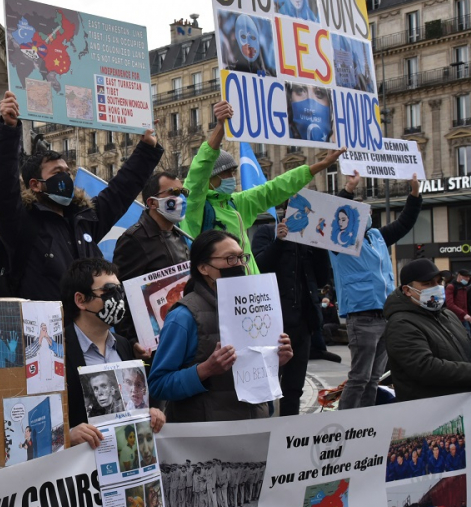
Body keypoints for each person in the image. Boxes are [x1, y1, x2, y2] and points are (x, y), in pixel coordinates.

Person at [0, 91, 163, 301]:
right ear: (35, 185)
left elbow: (121, 191)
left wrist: (147, 149)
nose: (66, 178)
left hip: (86, 326)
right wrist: (8, 130)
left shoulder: (84, 219)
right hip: (49, 330)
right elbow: (1, 187)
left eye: (67, 172)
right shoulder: (22, 224)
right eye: (56, 173)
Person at [181, 101, 344, 275]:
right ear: (210, 178)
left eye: (233, 172)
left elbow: (275, 188)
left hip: (251, 290)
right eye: (227, 173)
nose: (232, 177)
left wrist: (320, 165)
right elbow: (199, 171)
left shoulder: (235, 204)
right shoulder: (195, 206)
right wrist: (220, 126)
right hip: (219, 293)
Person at [149, 230, 293, 421]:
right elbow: (159, 385)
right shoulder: (183, 317)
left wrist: (276, 359)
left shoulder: (255, 308)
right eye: (230, 258)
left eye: (242, 257)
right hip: (207, 437)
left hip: (254, 427)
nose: (240, 264)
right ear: (203, 268)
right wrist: (205, 369)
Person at [331, 171, 422, 409]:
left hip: (385, 314)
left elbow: (404, 223)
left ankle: (365, 423)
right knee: (359, 377)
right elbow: (337, 214)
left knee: (373, 378)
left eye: (370, 211)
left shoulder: (376, 237)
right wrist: (349, 189)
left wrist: (414, 193)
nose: (368, 214)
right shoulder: (341, 240)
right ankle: (346, 422)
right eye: (362, 212)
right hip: (361, 315)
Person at [384, 258, 471, 455]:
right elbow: (423, 366)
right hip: (430, 428)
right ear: (407, 290)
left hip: (463, 418)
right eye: (427, 284)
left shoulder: (447, 315)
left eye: (437, 282)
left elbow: (467, 353)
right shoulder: (401, 323)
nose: (435, 288)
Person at [62, 258, 165, 449]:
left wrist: (151, 413)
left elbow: (137, 401)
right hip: (81, 470)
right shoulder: (58, 351)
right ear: (80, 300)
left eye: (119, 291)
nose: (117, 298)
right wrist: (67, 437)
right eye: (109, 291)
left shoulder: (125, 347)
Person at [252, 214, 332, 415]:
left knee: (294, 388)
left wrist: (320, 244)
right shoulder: (267, 232)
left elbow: (322, 278)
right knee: (267, 386)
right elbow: (257, 266)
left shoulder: (309, 238)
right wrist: (279, 242)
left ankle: (289, 435)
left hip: (304, 322)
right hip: (274, 323)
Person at [114, 170, 191, 351]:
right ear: (152, 202)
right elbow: (121, 295)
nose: (181, 199)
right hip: (154, 346)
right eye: (173, 193)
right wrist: (132, 341)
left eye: (183, 193)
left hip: (182, 333)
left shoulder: (179, 236)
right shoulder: (133, 239)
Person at [446, 269, 471, 341]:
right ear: (459, 276)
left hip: (464, 318)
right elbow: (450, 304)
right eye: (465, 277)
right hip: (456, 317)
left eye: (468, 277)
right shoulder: (451, 287)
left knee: (468, 337)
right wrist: (464, 314)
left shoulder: (464, 287)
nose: (467, 279)